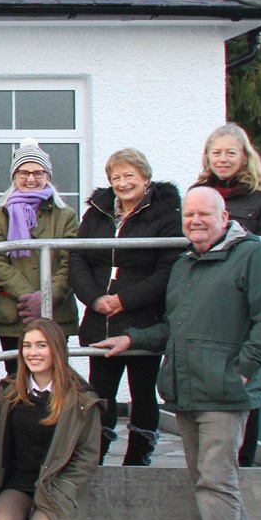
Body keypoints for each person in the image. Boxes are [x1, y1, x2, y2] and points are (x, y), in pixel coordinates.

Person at [94, 187, 261, 520]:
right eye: (189, 216)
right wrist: (132, 339)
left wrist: (243, 369)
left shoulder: (250, 257)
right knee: (212, 477)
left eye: (205, 214)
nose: (196, 221)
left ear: (224, 218)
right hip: (186, 388)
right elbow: (172, 327)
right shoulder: (185, 265)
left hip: (225, 391)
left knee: (215, 480)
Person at [69, 149, 180, 465]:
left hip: (142, 318)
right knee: (101, 392)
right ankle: (96, 455)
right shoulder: (97, 212)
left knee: (142, 390)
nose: (122, 183)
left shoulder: (166, 214)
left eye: (129, 175)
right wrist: (93, 298)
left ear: (145, 178)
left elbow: (167, 269)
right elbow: (78, 257)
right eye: (116, 177)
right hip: (99, 319)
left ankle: (139, 457)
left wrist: (125, 300)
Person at [194, 123, 261, 467]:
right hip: (208, 296)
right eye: (216, 152)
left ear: (245, 156)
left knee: (246, 378)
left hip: (246, 296)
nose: (223, 159)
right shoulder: (200, 191)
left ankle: (244, 459)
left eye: (230, 152)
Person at [0, 320, 102, 520]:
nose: (33, 352)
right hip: (20, 483)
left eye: (41, 345)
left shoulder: (80, 397)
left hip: (56, 485)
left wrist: (65, 489)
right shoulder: (10, 391)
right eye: (27, 345)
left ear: (57, 349)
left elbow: (87, 456)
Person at [0, 138, 78, 377]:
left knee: (54, 378)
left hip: (56, 312)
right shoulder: (0, 215)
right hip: (15, 314)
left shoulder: (66, 216)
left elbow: (71, 261)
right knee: (16, 379)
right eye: (23, 172)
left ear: (48, 175)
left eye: (38, 172)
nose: (31, 179)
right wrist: (30, 297)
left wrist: (46, 298)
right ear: (14, 176)